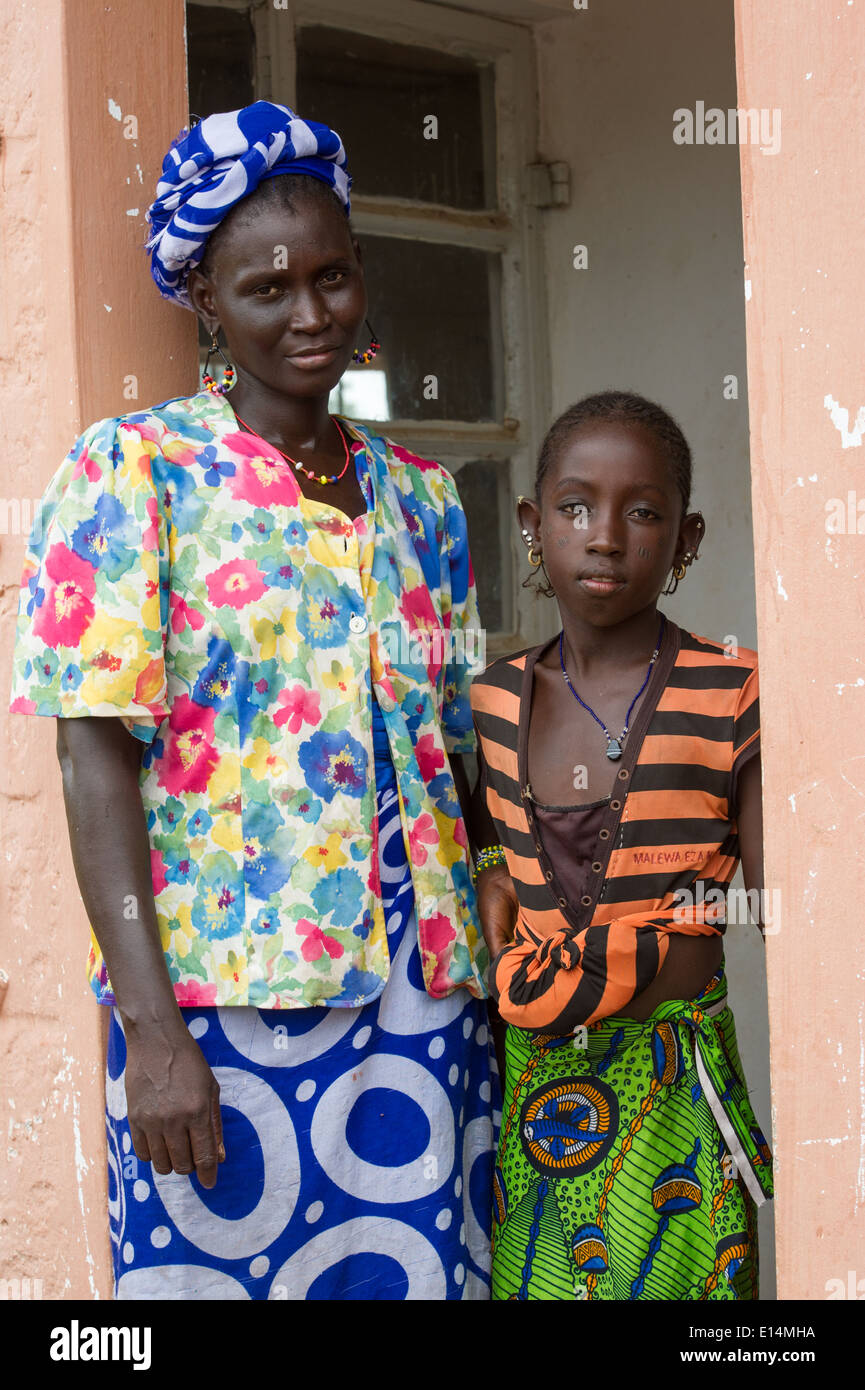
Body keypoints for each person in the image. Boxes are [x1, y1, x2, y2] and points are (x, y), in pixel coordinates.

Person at [9, 101, 496, 1301]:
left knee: (423, 1272)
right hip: (219, 999)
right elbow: (91, 757)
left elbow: (457, 747)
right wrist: (153, 1029)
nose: (312, 313)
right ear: (208, 301)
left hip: (424, 984)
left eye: (332, 277)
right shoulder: (134, 470)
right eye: (268, 288)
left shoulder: (422, 498)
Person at [469, 391, 773, 1301]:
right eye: (573, 507)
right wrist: (491, 871)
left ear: (685, 541)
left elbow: (780, 910)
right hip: (539, 1102)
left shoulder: (733, 695)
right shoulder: (489, 702)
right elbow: (499, 843)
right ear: (533, 526)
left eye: (642, 513)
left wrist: (691, 916)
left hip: (676, 1097)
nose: (603, 536)